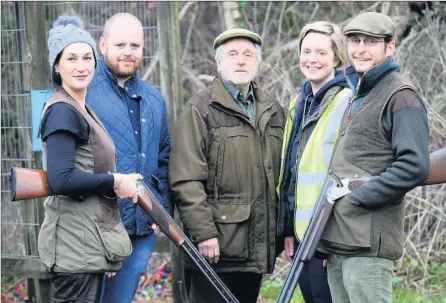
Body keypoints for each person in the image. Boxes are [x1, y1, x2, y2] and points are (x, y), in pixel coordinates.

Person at [318, 12, 430, 303]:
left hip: (368, 244)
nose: (360, 49)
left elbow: (414, 166)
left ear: (389, 47)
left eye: (370, 42)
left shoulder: (401, 94)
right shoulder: (356, 92)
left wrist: (358, 197)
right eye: (354, 41)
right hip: (341, 241)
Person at [169, 28, 285, 303]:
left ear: (257, 62)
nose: (241, 61)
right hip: (217, 247)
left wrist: (282, 232)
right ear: (219, 63)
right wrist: (204, 233)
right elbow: (186, 180)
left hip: (255, 248)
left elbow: (283, 176)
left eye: (248, 55)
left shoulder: (273, 110)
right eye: (232, 55)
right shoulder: (200, 110)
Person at [39, 15, 142, 302]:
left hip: (85, 245)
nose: (81, 66)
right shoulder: (63, 111)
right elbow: (61, 179)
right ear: (57, 67)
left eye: (87, 57)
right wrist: (115, 181)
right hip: (74, 251)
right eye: (71, 58)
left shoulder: (79, 107)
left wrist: (101, 246)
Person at [85, 13, 172, 303]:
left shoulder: (154, 99)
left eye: (135, 45)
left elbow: (164, 158)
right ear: (102, 44)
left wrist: (161, 208)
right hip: (94, 230)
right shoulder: (82, 93)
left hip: (140, 229)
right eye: (120, 44)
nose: (128, 52)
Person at [277, 21, 351, 303]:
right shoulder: (300, 102)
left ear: (337, 57)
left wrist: (331, 240)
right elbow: (292, 174)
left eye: (321, 52)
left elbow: (346, 174)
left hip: (328, 235)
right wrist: (288, 230)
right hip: (301, 235)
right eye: (306, 51)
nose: (312, 59)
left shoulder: (346, 100)